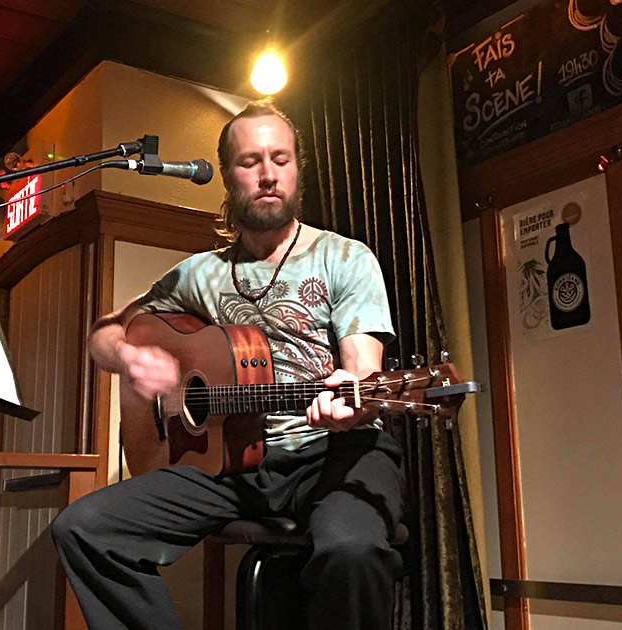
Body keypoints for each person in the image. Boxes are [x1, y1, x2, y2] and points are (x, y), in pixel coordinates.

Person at [51, 101, 404, 630]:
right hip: (231, 460)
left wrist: (350, 400)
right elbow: (104, 331)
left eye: (280, 159)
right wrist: (131, 356)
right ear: (228, 177)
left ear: (297, 171)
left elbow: (363, 368)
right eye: (250, 161)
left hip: (336, 449)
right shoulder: (200, 274)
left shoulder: (345, 257)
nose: (267, 174)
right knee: (84, 527)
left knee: (351, 552)